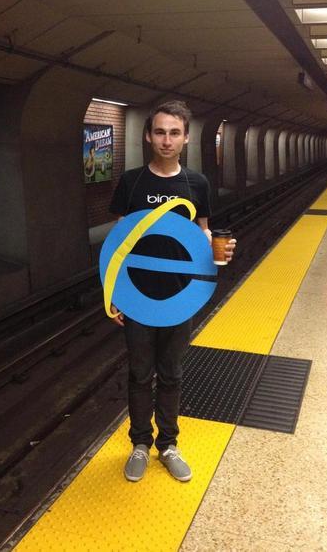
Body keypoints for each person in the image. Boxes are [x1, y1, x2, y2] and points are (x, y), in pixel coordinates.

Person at [108, 100, 236, 483]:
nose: (167, 140)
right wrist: (114, 291)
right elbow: (118, 242)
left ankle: (168, 445)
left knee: (171, 373)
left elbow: (202, 233)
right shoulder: (131, 182)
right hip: (137, 295)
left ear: (186, 138)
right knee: (139, 373)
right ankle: (140, 444)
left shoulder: (197, 184)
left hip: (181, 295)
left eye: (174, 133)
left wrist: (220, 248)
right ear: (149, 136)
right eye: (160, 132)